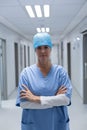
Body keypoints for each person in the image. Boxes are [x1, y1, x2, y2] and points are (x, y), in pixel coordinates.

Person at [16, 32, 72, 130]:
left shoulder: (60, 72)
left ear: (50, 48)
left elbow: (66, 100)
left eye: (46, 47)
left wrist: (36, 99)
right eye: (39, 48)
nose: (42, 51)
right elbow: (24, 103)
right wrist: (55, 100)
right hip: (33, 125)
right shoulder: (26, 73)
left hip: (57, 124)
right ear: (35, 50)